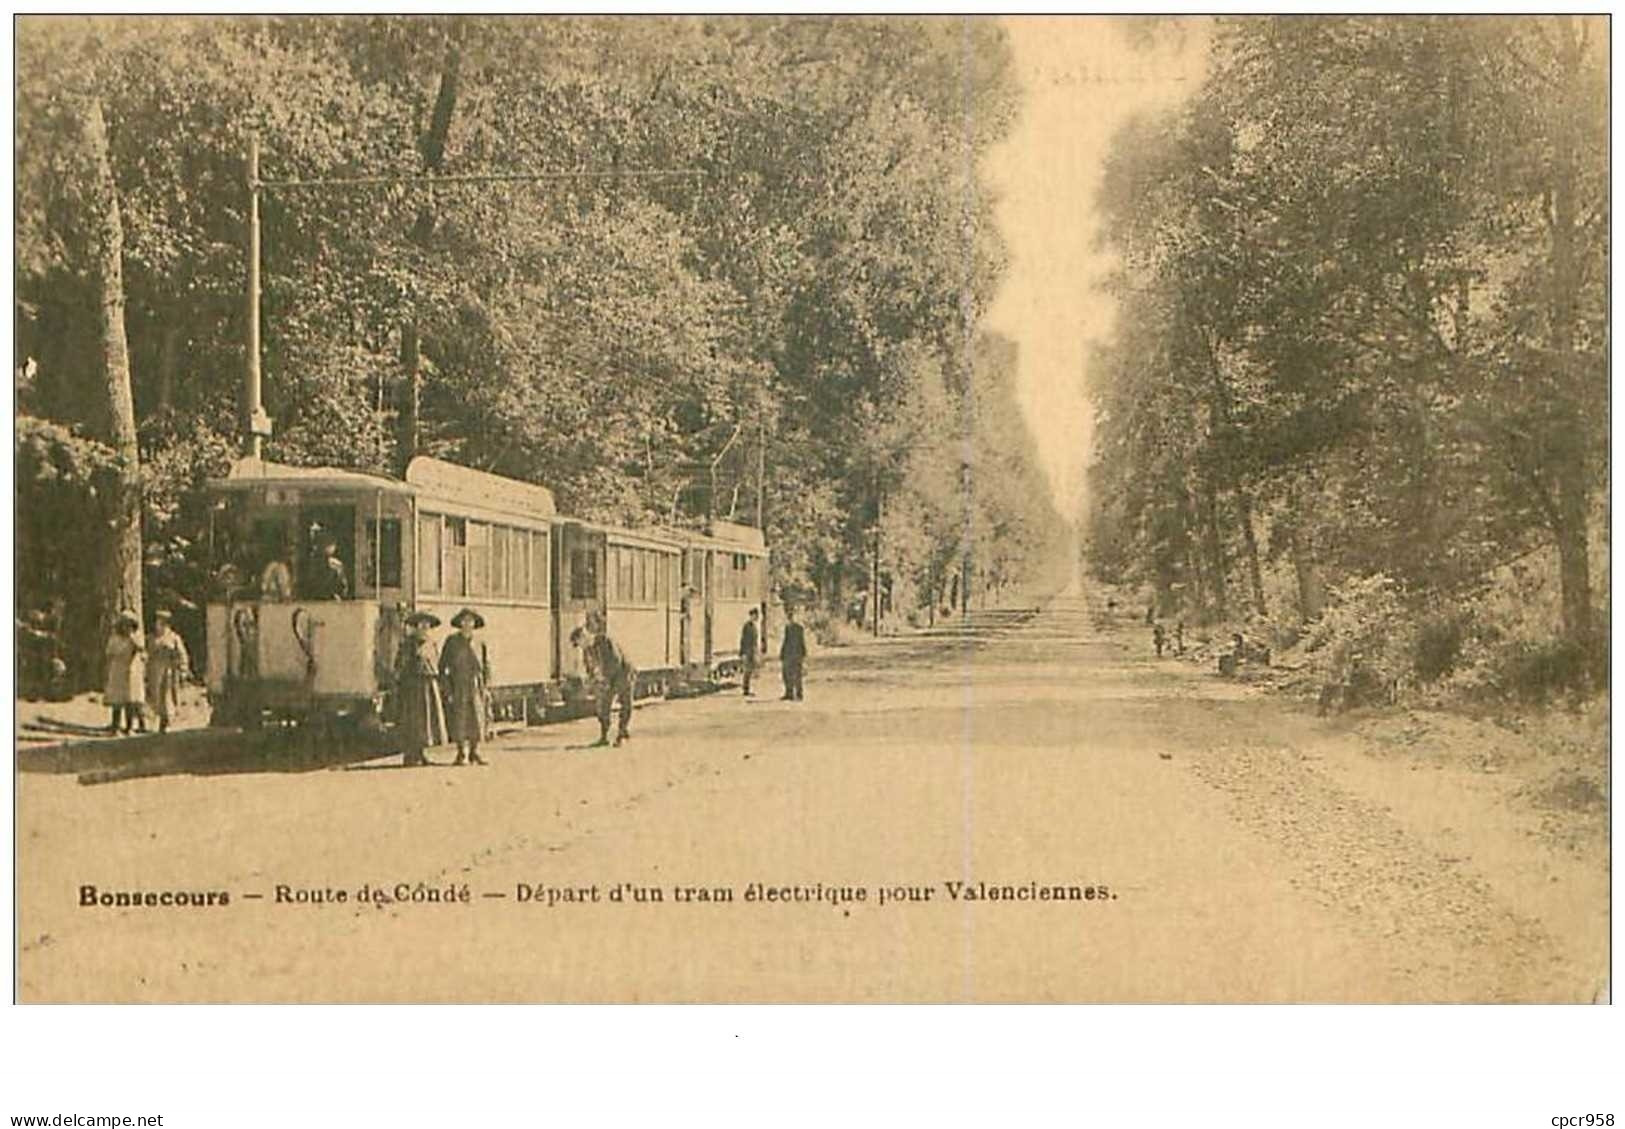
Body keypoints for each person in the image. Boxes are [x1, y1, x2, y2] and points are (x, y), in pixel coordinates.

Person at [393, 611, 448, 766]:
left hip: (429, 684)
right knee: (412, 720)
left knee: (427, 720)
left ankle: (421, 752)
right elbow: (400, 665)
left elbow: (438, 663)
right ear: (416, 627)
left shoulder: (432, 643)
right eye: (421, 625)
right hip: (413, 686)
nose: (424, 628)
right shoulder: (408, 644)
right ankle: (410, 755)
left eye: (427, 625)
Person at [439, 608, 491, 766]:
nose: (468, 624)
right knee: (460, 719)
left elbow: (486, 665)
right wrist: (447, 688)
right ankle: (461, 753)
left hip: (475, 685)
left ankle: (474, 752)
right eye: (465, 621)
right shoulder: (452, 642)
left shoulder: (479, 643)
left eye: (471, 621)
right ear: (460, 623)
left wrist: (486, 686)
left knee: (477, 718)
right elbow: (443, 666)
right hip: (458, 684)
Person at [574, 619, 635, 747]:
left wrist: (604, 677)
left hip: (623, 674)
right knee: (603, 706)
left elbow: (615, 661)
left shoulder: (605, 641)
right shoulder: (587, 651)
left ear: (584, 636)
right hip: (608, 679)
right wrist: (592, 679)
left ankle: (621, 734)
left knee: (625, 704)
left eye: (579, 643)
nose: (580, 647)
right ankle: (604, 737)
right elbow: (589, 668)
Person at [144, 609, 191, 734]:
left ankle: (164, 723)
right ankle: (150, 722)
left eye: (162, 622)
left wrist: (183, 669)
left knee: (166, 697)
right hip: (153, 670)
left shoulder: (174, 638)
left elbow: (182, 655)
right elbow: (145, 653)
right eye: (157, 622)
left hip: (168, 670)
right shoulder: (150, 638)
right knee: (153, 696)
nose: (158, 625)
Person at [104, 610, 147, 734]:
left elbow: (141, 649)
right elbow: (109, 652)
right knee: (117, 700)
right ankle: (115, 726)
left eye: (129, 625)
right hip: (118, 670)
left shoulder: (136, 638)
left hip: (131, 671)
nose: (126, 627)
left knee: (130, 700)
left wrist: (133, 640)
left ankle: (129, 727)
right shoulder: (115, 638)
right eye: (124, 624)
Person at [779, 606, 807, 701]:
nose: (790, 619)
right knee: (786, 674)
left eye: (791, 617)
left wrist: (803, 655)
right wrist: (782, 654)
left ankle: (799, 694)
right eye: (789, 617)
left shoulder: (799, 628)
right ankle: (789, 693)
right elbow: (785, 641)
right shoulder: (787, 628)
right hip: (788, 655)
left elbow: (802, 642)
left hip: (796, 655)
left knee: (797, 675)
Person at [739, 607, 761, 696]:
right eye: (755, 615)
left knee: (749, 670)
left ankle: (747, 688)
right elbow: (743, 640)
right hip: (747, 651)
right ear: (752, 615)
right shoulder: (747, 626)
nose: (757, 617)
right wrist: (743, 653)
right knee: (747, 670)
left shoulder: (753, 626)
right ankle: (745, 689)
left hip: (751, 651)